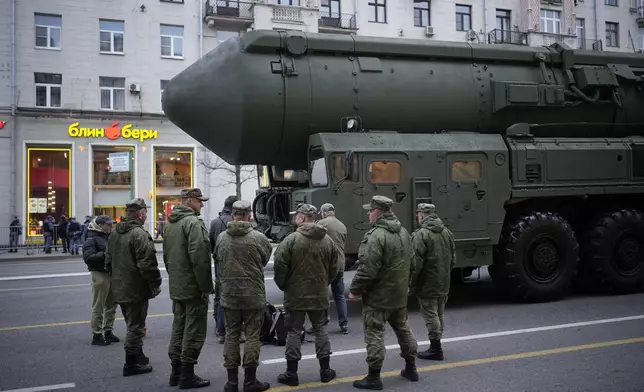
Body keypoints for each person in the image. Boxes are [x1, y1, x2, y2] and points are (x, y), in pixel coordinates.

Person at [348, 195, 419, 390]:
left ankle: (373, 377)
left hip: (378, 298)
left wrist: (355, 290)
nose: (368, 215)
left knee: (374, 334)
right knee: (404, 330)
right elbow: (412, 264)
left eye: (370, 211)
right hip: (399, 295)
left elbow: (367, 268)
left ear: (378, 211)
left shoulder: (376, 236)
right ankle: (411, 368)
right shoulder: (404, 232)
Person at [273, 203, 340, 387]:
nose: (295, 218)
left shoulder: (291, 240)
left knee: (294, 331)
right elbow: (335, 268)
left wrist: (284, 285)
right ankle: (325, 371)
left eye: (297, 216)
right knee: (321, 329)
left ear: (302, 218)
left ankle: (291, 373)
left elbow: (280, 267)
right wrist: (323, 283)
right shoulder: (327, 240)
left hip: (296, 295)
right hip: (319, 294)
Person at [215, 200, 273, 392]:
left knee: (231, 335)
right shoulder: (258, 238)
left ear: (233, 215)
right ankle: (250, 381)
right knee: (252, 336)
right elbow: (264, 259)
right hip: (253, 295)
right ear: (249, 215)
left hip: (229, 295)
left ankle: (231, 382)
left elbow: (217, 258)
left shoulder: (222, 238)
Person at [106, 198, 162, 377]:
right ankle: (131, 364)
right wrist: (155, 284)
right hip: (135, 288)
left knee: (131, 323)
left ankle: (138, 354)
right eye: (145, 212)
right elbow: (147, 264)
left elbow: (108, 262)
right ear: (139, 214)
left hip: (120, 287)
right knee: (136, 327)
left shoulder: (115, 234)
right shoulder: (139, 234)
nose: (146, 215)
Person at [164, 188, 213, 389]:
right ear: (190, 200)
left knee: (179, 327)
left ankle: (175, 373)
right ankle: (187, 375)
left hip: (178, 284)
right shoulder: (193, 222)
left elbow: (167, 256)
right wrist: (205, 286)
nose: (202, 204)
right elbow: (200, 258)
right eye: (200, 201)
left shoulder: (170, 223)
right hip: (193, 287)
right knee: (194, 330)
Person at [411, 203, 456, 361]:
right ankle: (436, 344)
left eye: (418, 214)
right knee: (439, 314)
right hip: (444, 282)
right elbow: (453, 259)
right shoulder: (447, 232)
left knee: (430, 315)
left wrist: (411, 283)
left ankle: (436, 349)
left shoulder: (421, 235)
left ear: (422, 215)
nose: (417, 217)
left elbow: (416, 264)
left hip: (427, 283)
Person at [83, 215, 118, 346]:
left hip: (111, 273)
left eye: (111, 224)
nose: (110, 227)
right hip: (100, 273)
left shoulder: (108, 237)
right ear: (100, 226)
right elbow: (88, 258)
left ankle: (108, 331)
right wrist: (106, 254)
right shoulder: (91, 239)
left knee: (111, 305)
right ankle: (97, 334)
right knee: (98, 306)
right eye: (107, 225)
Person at [209, 195, 238, 343]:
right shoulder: (238, 222)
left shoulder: (214, 223)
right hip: (236, 266)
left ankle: (219, 327)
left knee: (219, 297)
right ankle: (235, 328)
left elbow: (211, 246)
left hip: (220, 266)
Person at [317, 203, 349, 334]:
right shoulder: (342, 225)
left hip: (325, 264)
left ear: (324, 212)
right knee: (339, 295)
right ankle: (344, 324)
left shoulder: (321, 223)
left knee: (321, 295)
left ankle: (321, 323)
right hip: (340, 263)